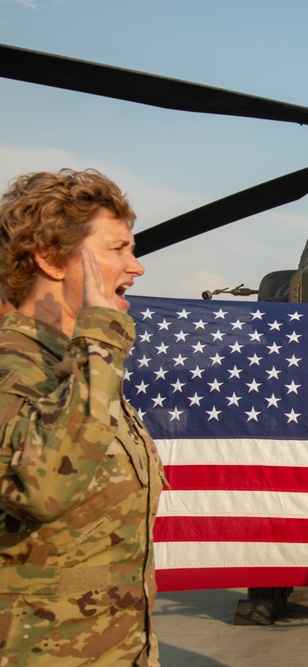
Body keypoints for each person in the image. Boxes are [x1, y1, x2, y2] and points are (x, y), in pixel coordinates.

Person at [0, 169, 164, 665]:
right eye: (118, 250)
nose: (136, 267)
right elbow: (44, 487)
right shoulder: (15, 367)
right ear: (50, 259)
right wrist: (101, 338)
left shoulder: (75, 366)